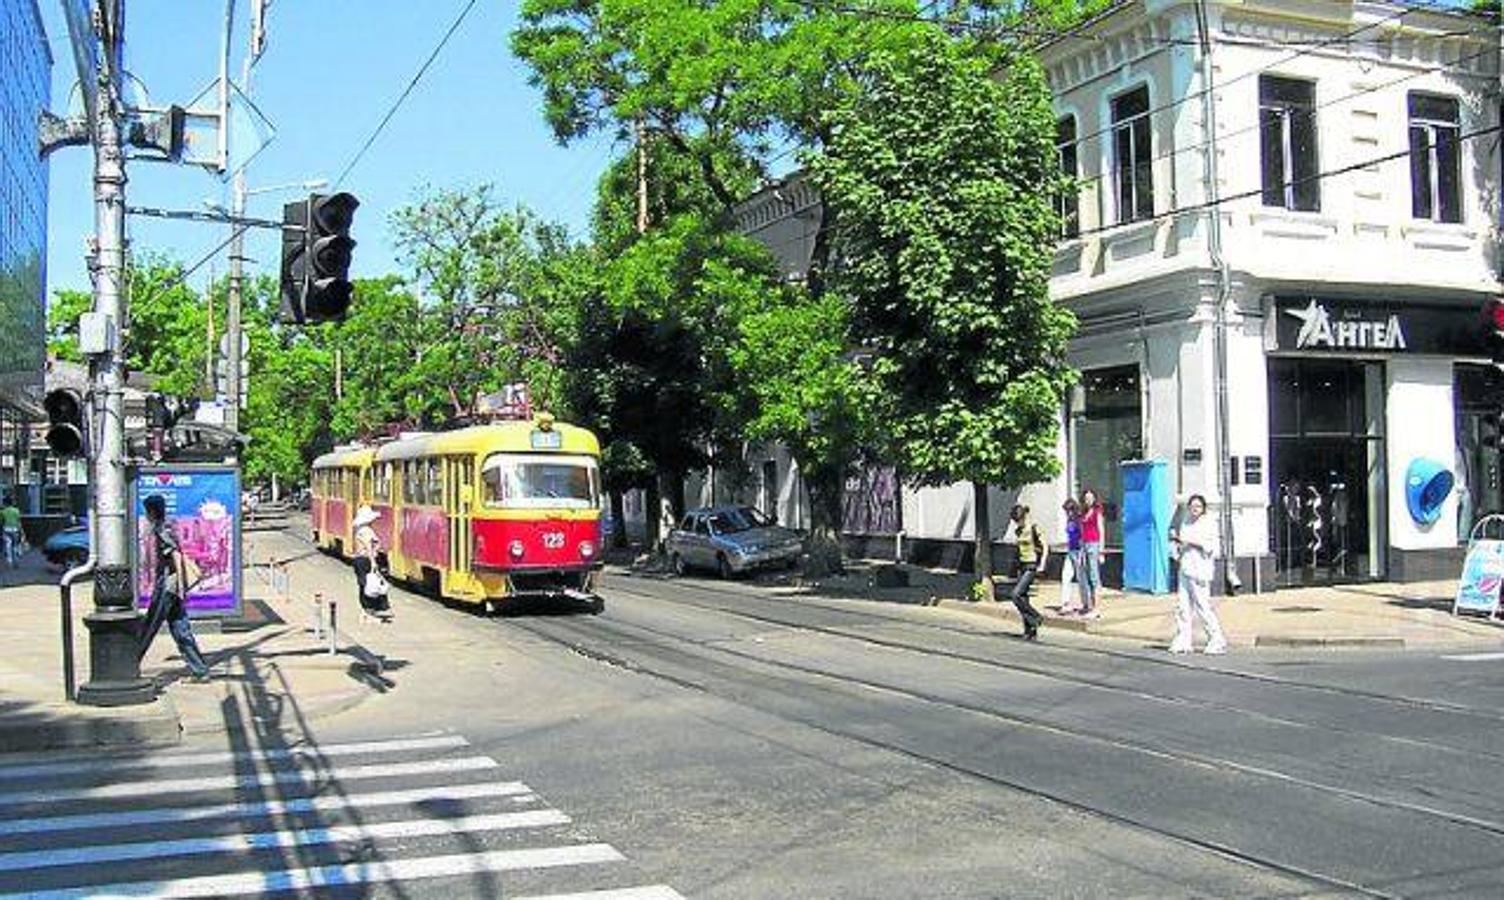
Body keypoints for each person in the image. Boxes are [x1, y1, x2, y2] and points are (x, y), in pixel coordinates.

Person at [137, 494, 210, 680]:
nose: (146, 514)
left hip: (168, 585)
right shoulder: (165, 526)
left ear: (152, 511)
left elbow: (175, 556)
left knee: (149, 625)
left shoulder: (162, 529)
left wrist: (179, 586)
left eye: (147, 511)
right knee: (180, 627)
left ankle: (130, 664)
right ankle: (200, 670)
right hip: (172, 585)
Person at [1169, 494, 1228, 655]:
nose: (1195, 509)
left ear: (1203, 509)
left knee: (1203, 606)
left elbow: (1209, 547)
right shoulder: (1186, 522)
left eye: (1198, 507)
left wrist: (1192, 543)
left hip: (1200, 570)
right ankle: (1183, 639)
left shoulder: (1208, 523)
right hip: (1185, 567)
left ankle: (1216, 639)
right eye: (1192, 506)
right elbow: (1181, 542)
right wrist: (1178, 546)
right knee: (1182, 606)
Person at [1007, 504, 1047, 641]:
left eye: (1019, 520)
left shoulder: (1033, 527)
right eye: (1015, 521)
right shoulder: (1018, 531)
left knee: (1015, 595)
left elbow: (1045, 546)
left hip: (1032, 565)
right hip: (1022, 565)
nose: (1018, 523)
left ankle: (1036, 617)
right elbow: (1018, 549)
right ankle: (1030, 631)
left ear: (1024, 517)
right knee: (1023, 598)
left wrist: (1042, 564)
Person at [352, 505, 392, 622]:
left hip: (360, 560)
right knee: (369, 585)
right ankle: (368, 611)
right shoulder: (366, 531)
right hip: (365, 560)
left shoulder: (361, 529)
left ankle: (366, 612)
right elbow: (368, 547)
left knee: (364, 584)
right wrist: (373, 562)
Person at [1078, 489, 1104, 616]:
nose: (1088, 500)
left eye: (1091, 498)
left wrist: (1101, 551)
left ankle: (1097, 608)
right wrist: (1081, 550)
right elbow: (1082, 532)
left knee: (1094, 578)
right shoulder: (1083, 513)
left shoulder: (1096, 512)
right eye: (1086, 498)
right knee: (1087, 576)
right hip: (1085, 546)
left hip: (1094, 545)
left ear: (1094, 499)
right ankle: (1090, 606)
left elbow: (1101, 530)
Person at [1060, 498, 1085, 615]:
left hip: (1079, 551)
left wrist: (1082, 553)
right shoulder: (1069, 521)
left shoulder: (1079, 520)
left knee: (1081, 578)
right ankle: (1066, 603)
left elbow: (1083, 537)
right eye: (1066, 511)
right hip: (1070, 551)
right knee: (1065, 576)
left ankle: (1086, 603)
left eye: (1070, 510)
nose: (1068, 513)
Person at [1, 495, 21, 568]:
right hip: (15, 529)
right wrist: (20, 530)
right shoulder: (16, 510)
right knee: (15, 546)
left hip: (6, 529)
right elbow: (18, 521)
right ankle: (16, 561)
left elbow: (2, 521)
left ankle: (9, 561)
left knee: (8, 545)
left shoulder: (3, 511)